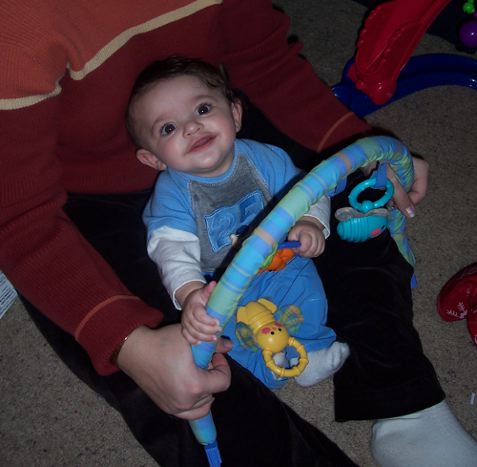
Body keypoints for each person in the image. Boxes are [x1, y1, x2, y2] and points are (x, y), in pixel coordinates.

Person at [1, 1, 475, 466]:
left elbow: (265, 61)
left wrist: (358, 150)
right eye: (173, 126)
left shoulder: (245, 142)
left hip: (226, 139)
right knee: (184, 375)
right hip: (84, 195)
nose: (189, 128)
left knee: (355, 207)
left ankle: (404, 396)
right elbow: (19, 215)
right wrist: (127, 342)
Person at [127, 56, 350, 389]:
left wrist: (310, 221)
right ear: (153, 158)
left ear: (234, 113)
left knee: (308, 290)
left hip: (277, 260)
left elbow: (309, 189)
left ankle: (312, 349)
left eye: (203, 109)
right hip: (217, 282)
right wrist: (191, 294)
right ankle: (264, 373)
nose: (191, 127)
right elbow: (171, 248)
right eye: (168, 128)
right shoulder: (173, 194)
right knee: (223, 334)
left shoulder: (264, 158)